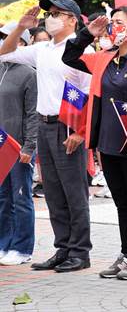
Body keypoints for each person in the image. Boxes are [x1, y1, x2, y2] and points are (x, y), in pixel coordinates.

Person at [62, 5, 127, 280]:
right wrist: (87, 33)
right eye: (112, 23)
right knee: (121, 201)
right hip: (108, 139)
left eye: (119, 22)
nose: (113, 27)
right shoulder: (104, 58)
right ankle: (125, 252)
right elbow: (70, 57)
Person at [0, 0, 93, 273]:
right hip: (44, 125)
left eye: (57, 14)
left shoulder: (80, 49)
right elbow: (4, 54)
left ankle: (79, 251)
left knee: (74, 192)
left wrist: (80, 130)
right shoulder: (42, 48)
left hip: (68, 125)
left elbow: (87, 92)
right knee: (53, 192)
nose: (50, 18)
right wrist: (20, 29)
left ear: (72, 20)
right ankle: (62, 248)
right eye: (49, 14)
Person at [0, 23, 38, 266]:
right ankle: (4, 243)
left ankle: (23, 247)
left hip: (18, 146)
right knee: (3, 198)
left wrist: (29, 146)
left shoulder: (29, 73)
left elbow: (33, 113)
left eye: (7, 38)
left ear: (21, 43)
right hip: (0, 145)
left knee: (21, 197)